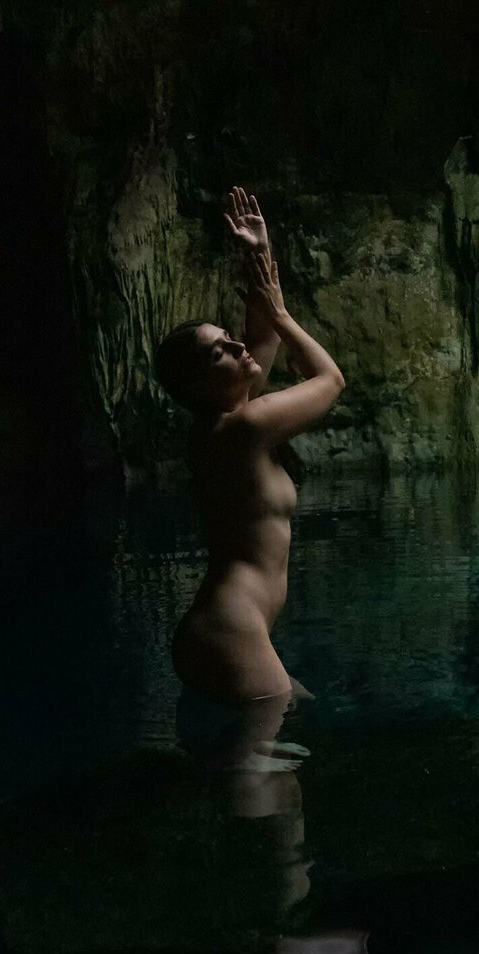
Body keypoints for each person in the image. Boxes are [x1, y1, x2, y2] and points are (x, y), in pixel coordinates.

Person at [155, 185, 345, 706]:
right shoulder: (245, 428)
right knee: (270, 751)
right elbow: (330, 381)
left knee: (296, 713)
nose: (238, 346)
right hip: (230, 629)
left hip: (223, 627)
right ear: (198, 384)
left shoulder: (217, 428)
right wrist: (282, 314)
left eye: (229, 337)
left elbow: (260, 341)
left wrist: (259, 252)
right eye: (220, 351)